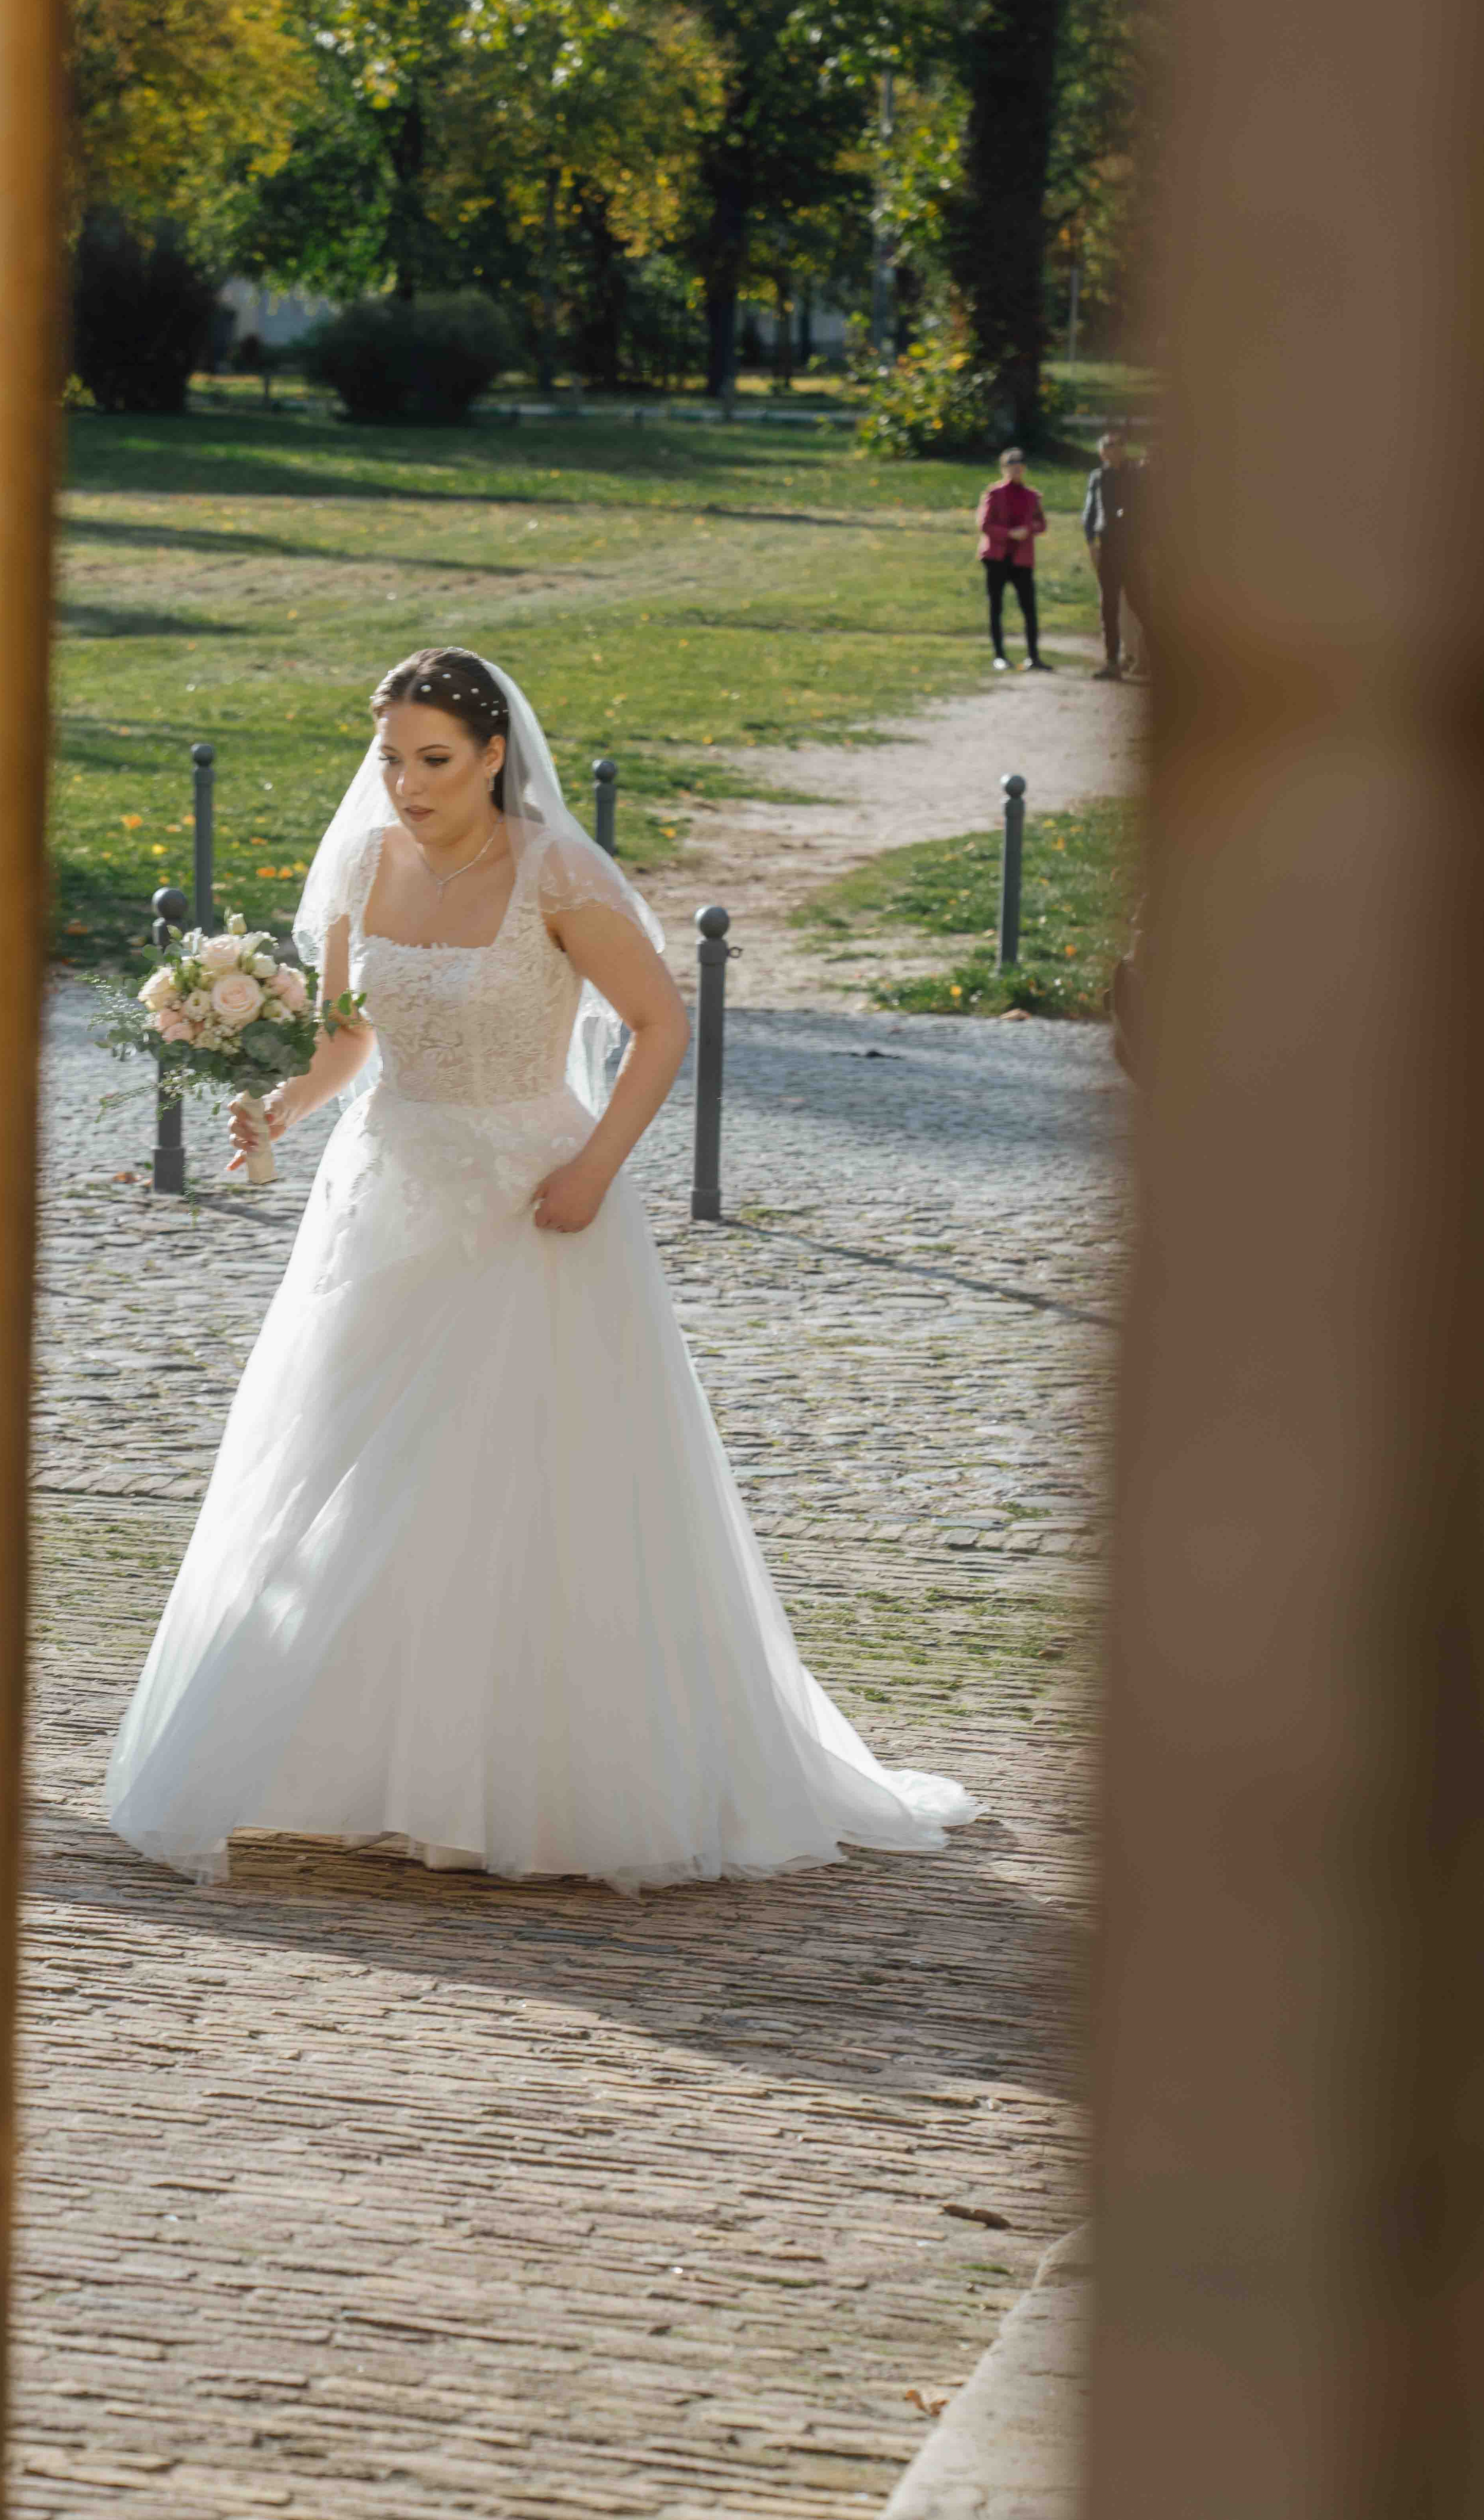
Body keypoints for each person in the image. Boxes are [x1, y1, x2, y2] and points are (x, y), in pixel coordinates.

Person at [103, 648, 975, 1890]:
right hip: (386, 1198)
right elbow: (350, 1041)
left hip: (532, 1203)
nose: (407, 786)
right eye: (392, 760)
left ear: (494, 754)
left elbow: (661, 1026)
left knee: (520, 1479)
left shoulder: (559, 872)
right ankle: (352, 1769)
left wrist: (596, 1169)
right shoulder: (363, 864)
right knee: (349, 1465)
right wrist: (282, 1111)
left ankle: (531, 1787)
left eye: (434, 761)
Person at [975, 449, 1049, 670]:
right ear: (1004, 469)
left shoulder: (1032, 496)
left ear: (1024, 469)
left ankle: (1033, 657)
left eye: (1020, 467)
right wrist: (1009, 534)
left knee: (1029, 608)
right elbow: (984, 525)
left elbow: (1042, 524)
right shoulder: (994, 493)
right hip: (997, 558)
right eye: (1011, 467)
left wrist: (1029, 529)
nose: (1016, 470)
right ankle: (999, 656)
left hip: (1022, 559)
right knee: (996, 607)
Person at [1080, 429, 1139, 679]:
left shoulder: (1136, 475)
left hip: (1133, 547)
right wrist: (1091, 542)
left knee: (1140, 603)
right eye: (1107, 447)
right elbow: (1090, 511)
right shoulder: (1098, 477)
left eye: (1116, 446)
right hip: (1108, 546)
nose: (1111, 451)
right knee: (1109, 606)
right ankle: (1112, 662)